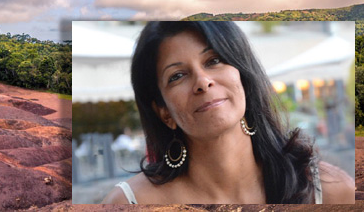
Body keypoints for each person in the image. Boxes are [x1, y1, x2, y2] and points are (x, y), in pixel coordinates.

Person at [102, 22, 354, 204]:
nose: (203, 81)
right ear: (164, 112)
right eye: (177, 76)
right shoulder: (128, 204)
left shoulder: (331, 192)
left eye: (214, 60)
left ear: (243, 77)